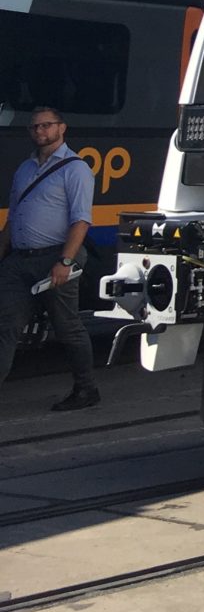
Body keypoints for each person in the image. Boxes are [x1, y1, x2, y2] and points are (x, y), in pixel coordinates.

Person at [2, 105, 100, 410]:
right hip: (19, 261)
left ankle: (86, 389)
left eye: (46, 126)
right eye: (35, 127)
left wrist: (66, 262)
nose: (40, 132)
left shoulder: (76, 169)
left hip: (55, 259)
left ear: (62, 128)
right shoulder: (25, 169)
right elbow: (13, 217)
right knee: (5, 326)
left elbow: (81, 221)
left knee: (67, 326)